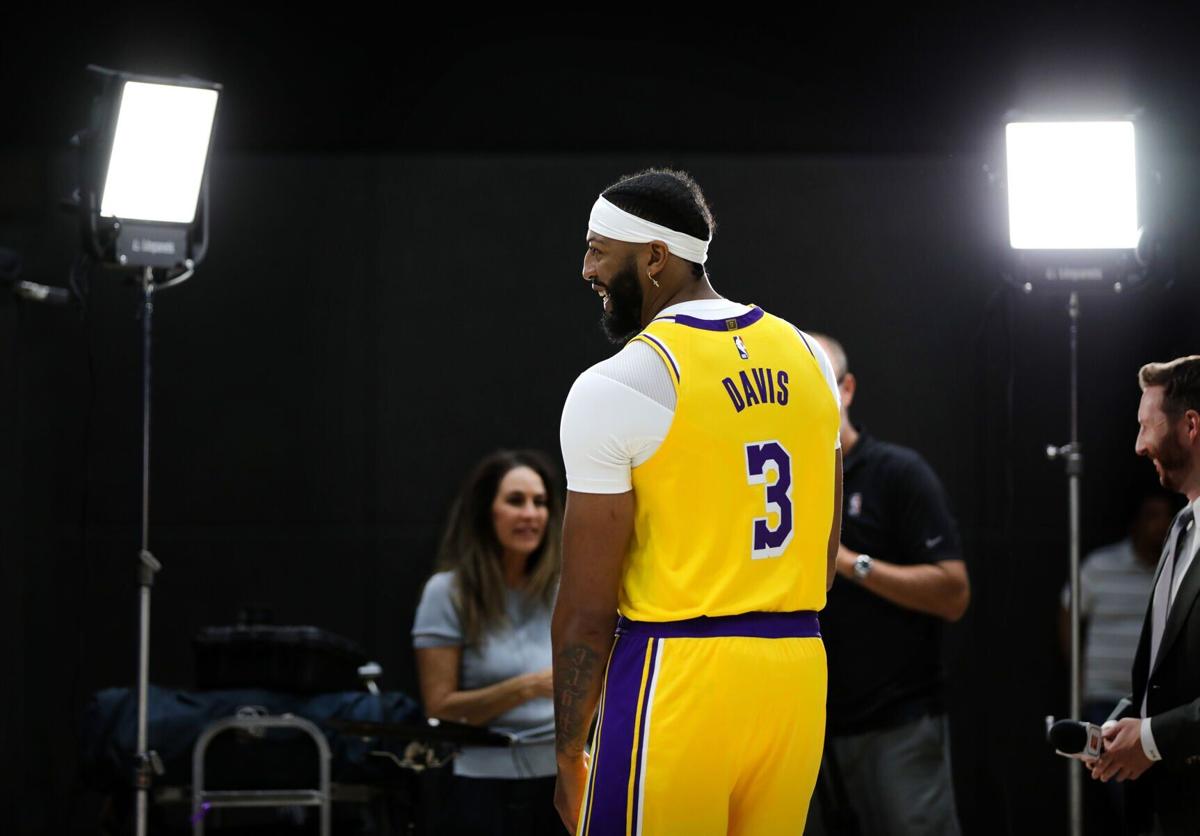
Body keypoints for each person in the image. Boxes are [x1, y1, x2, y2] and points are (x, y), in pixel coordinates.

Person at [552, 168, 843, 836]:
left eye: (600, 249)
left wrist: (569, 751)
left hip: (678, 674)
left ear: (655, 257)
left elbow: (587, 609)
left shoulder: (622, 383)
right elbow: (822, 561)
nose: (587, 267)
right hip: (795, 673)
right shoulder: (809, 357)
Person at [804, 334, 969, 836]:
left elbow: (953, 592)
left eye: (821, 386)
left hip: (895, 724)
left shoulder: (896, 473)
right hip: (807, 727)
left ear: (847, 390)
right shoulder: (781, 480)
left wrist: (851, 563)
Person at [412, 450, 568, 836]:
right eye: (515, 501)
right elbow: (441, 709)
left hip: (560, 781)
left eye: (540, 502)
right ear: (487, 512)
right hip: (479, 785)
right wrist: (528, 687)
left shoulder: (565, 589)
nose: (530, 514)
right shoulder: (447, 593)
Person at [1090, 356, 1200, 836]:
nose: (1138, 446)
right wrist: (1124, 726)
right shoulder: (1181, 529)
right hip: (1169, 808)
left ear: (1191, 425)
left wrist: (1151, 738)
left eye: (1145, 426)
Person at [1058, 493, 1173, 835]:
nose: (1160, 525)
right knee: (1123, 785)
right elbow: (1068, 613)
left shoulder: (1175, 568)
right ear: (1136, 523)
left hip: (1157, 705)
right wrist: (1078, 672)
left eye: (1165, 517)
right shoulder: (1100, 566)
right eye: (1152, 516)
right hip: (1106, 696)